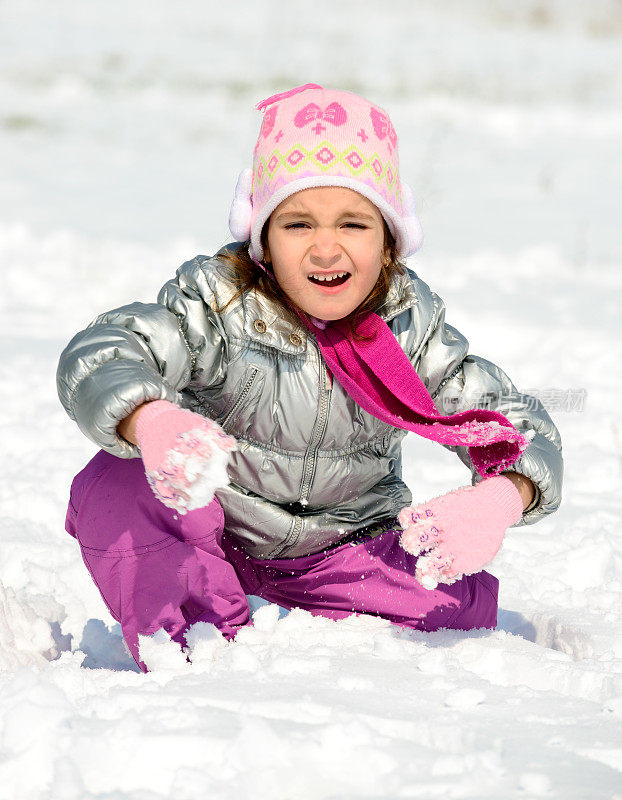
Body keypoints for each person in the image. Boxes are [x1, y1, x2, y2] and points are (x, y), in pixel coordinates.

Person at [57, 84, 562, 672]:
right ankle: (198, 648)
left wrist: (503, 497)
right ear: (262, 240)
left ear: (390, 242)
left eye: (353, 224)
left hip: (343, 548)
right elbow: (103, 351)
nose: (326, 247)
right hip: (216, 531)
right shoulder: (219, 305)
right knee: (116, 487)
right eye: (297, 224)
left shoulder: (407, 329)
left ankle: (325, 609)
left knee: (458, 608)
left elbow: (514, 418)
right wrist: (150, 417)